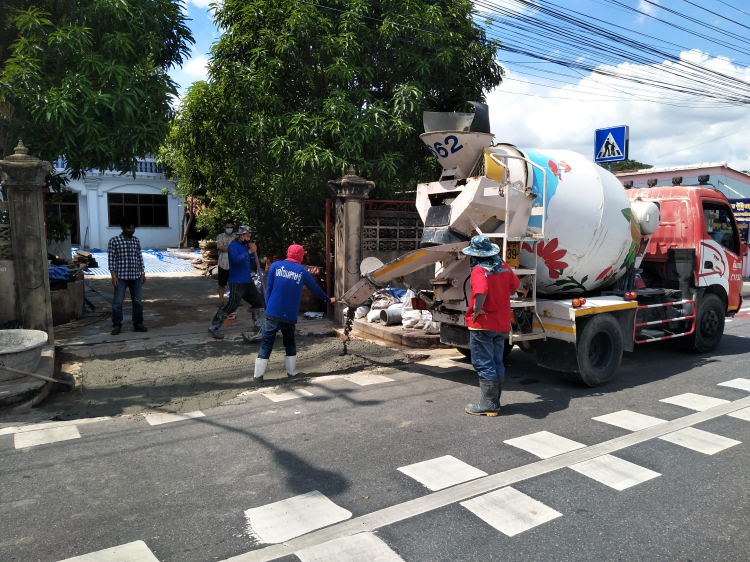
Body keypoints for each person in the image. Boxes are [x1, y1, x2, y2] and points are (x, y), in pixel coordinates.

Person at [462, 235, 526, 416]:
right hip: (501, 324)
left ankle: (488, 405)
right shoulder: (503, 266)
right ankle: (495, 403)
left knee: (483, 363)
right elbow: (516, 285)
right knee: (497, 362)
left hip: (483, 324)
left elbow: (481, 291)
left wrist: (477, 309)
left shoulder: (479, 270)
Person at [253, 244, 335, 383]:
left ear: (288, 253)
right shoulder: (302, 271)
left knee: (266, 344)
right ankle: (291, 373)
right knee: (290, 343)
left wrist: (268, 306)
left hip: (272, 313)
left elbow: (268, 288)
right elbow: (315, 289)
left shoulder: (275, 266)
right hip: (289, 315)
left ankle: (258, 376)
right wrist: (328, 299)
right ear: (301, 256)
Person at [207, 226, 264, 339]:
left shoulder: (245, 247)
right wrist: (249, 251)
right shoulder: (233, 246)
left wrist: (253, 253)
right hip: (237, 282)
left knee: (259, 302)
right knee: (232, 305)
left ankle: (258, 325)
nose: (249, 238)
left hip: (247, 281)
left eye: (250, 236)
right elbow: (236, 260)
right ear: (241, 235)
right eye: (247, 236)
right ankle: (214, 327)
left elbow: (251, 261)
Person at [108, 218, 147, 335]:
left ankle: (138, 323)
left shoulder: (135, 240)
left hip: (135, 276)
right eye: (129, 228)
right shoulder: (114, 241)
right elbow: (111, 260)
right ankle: (116, 325)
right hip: (121, 276)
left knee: (138, 301)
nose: (131, 230)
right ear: (122, 228)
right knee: (118, 302)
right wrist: (113, 276)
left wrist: (142, 272)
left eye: (133, 228)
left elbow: (139, 256)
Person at [216, 220, 236, 307]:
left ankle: (234, 300)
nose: (229, 229)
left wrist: (227, 247)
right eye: (228, 227)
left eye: (231, 227)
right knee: (222, 283)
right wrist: (232, 247)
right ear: (224, 227)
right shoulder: (220, 236)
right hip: (222, 263)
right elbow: (221, 248)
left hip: (234, 263)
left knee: (234, 283)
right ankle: (221, 300)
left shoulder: (235, 237)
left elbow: (237, 248)